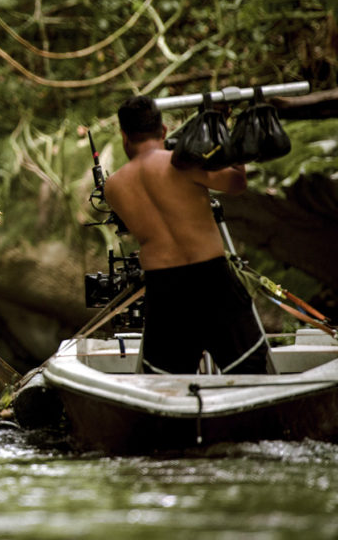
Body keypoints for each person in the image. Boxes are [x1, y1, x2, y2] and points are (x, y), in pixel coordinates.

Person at [103, 95, 272, 374]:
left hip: (165, 287)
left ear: (124, 135)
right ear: (164, 130)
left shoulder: (114, 186)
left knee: (168, 378)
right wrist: (224, 132)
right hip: (211, 279)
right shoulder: (183, 164)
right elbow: (237, 182)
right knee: (248, 368)